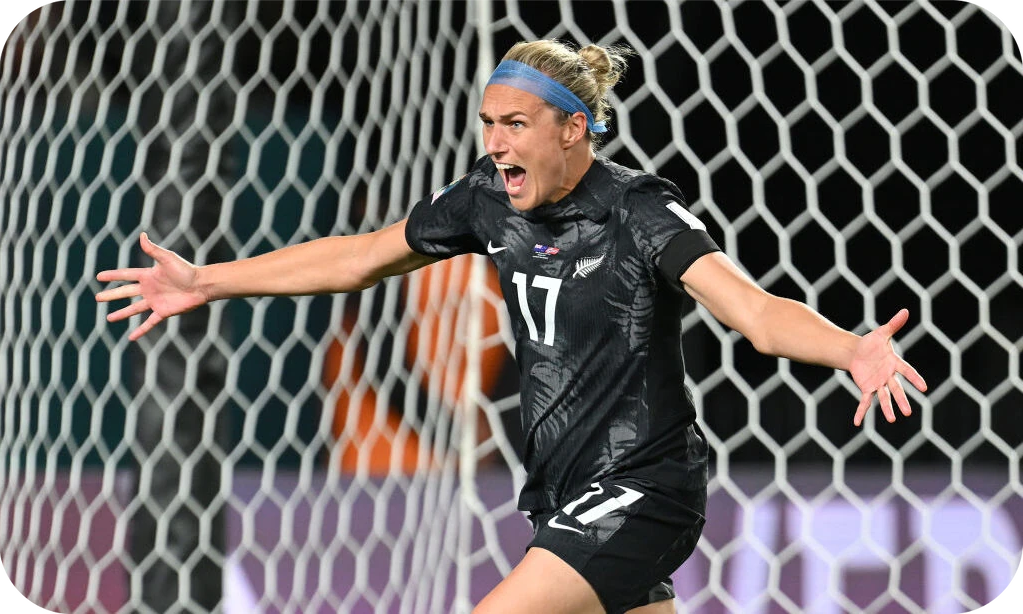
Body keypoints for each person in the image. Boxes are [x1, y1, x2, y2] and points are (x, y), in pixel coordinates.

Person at [96, 40, 927, 614]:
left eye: (516, 124)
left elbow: (756, 314)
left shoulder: (639, 211)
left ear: (576, 130)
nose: (495, 144)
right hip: (563, 492)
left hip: (644, 486)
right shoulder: (489, 201)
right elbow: (357, 258)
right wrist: (208, 280)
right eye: (489, 123)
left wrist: (852, 347)